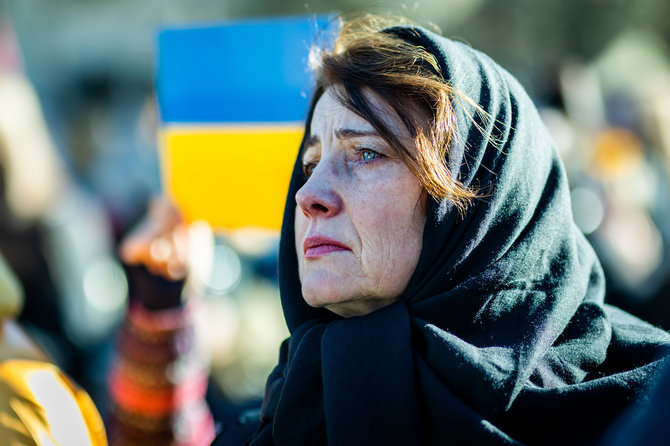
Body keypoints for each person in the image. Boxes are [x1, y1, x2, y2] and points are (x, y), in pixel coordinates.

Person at [135, 14, 670, 445]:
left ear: (476, 199)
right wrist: (161, 307)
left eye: (366, 153)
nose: (308, 196)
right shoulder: (294, 408)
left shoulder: (642, 407)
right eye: (309, 163)